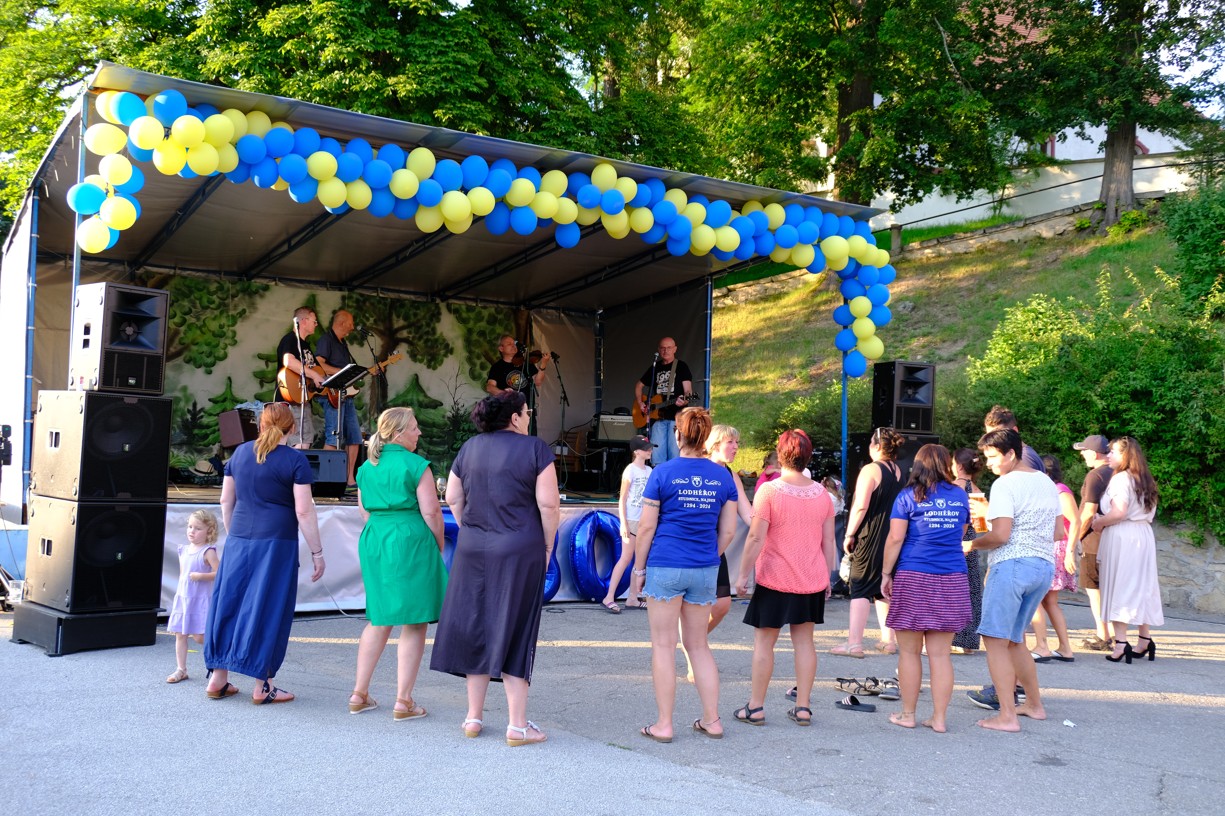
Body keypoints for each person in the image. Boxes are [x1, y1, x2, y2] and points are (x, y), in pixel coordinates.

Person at [430, 392, 561, 746]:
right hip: (520, 548)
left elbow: (452, 497)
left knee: (477, 624)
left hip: (473, 548)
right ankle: (517, 725)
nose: (528, 417)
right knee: (517, 628)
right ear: (515, 417)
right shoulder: (535, 449)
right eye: (527, 412)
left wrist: (470, 527)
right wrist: (548, 544)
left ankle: (473, 717)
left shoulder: (469, 448)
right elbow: (549, 505)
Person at [204, 403, 325, 704]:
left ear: (260, 425)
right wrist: (317, 552)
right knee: (269, 607)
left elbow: (225, 501)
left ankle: (218, 678)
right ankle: (263, 685)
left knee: (229, 602)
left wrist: (234, 533)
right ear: (292, 428)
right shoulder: (295, 460)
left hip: (240, 538)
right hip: (276, 542)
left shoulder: (240, 453)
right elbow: (304, 511)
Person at [635, 407, 738, 743]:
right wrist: (709, 556)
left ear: (678, 435)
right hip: (704, 567)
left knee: (664, 646)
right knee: (698, 646)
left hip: (665, 564)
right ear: (706, 437)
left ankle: (664, 725)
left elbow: (646, 527)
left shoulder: (662, 473)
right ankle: (712, 720)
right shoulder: (723, 476)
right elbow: (729, 531)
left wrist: (639, 569)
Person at [348, 408, 447, 720]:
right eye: (415, 428)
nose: (419, 433)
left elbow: (364, 510)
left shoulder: (366, 467)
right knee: (414, 620)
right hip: (410, 539)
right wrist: (438, 544)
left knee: (380, 616)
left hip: (376, 538)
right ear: (399, 433)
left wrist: (381, 529)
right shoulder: (416, 465)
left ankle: (359, 693)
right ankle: (403, 701)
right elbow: (432, 512)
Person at [734, 429, 835, 728]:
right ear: (808, 457)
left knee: (764, 643)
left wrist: (743, 574)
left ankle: (756, 707)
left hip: (774, 578)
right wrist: (827, 576)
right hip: (811, 578)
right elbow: (829, 541)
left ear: (780, 455)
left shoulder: (769, 491)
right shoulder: (822, 494)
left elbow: (755, 537)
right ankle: (803, 707)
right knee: (804, 643)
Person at [967, 428, 1060, 732]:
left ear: (1010, 453)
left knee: (995, 641)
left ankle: (1007, 715)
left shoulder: (1005, 484)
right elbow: (1058, 532)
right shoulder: (1046, 481)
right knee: (1016, 639)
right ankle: (1034, 705)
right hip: (1042, 567)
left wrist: (971, 544)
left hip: (1012, 566)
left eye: (993, 457)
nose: (989, 463)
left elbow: (1000, 536)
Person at [880, 444, 971, 732]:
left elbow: (895, 538)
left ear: (917, 465)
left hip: (914, 575)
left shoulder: (907, 496)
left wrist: (885, 573)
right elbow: (963, 530)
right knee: (941, 654)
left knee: (909, 652)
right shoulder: (959, 495)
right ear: (947, 465)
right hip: (952, 576)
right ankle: (939, 718)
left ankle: (908, 714)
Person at [833, 427, 907, 657]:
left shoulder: (870, 469)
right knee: (884, 586)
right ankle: (888, 640)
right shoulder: (899, 471)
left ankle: (854, 644)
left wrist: (849, 534)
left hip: (870, 534)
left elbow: (861, 506)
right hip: (892, 534)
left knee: (860, 586)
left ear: (876, 446)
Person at [1090, 436, 1163, 664]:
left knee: (1119, 585)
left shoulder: (1121, 478)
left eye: (1113, 452)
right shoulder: (1145, 479)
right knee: (1142, 585)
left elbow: (1119, 512)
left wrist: (1099, 523)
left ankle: (1121, 643)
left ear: (1125, 455)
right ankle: (1144, 639)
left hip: (1123, 535)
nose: (1108, 455)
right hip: (1143, 534)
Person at [1029, 454, 1079, 662]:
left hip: (1057, 548)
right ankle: (1065, 648)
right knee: (1049, 601)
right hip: (1053, 546)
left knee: (1034, 598)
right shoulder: (1051, 491)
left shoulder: (1060, 491)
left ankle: (1042, 646)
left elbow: (1075, 521)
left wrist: (1070, 552)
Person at [705, 424, 753, 632]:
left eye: (737, 443)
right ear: (715, 445)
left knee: (722, 605)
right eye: (730, 442)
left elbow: (748, 514)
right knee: (691, 604)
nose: (736, 447)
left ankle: (694, 641)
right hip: (696, 542)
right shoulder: (700, 467)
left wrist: (770, 527)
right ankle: (693, 645)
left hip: (717, 546)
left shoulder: (731, 475)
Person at [165, 510, 221, 684]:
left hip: (200, 600)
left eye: (197, 528)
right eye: (190, 526)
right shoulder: (184, 550)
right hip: (184, 598)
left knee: (199, 637)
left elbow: (220, 573)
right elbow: (184, 576)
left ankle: (218, 662)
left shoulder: (208, 551)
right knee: (180, 634)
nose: (192, 531)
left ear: (209, 531)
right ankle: (181, 669)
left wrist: (201, 576)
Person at [602, 435, 653, 613]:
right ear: (636, 452)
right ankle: (609, 597)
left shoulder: (649, 471)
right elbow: (622, 498)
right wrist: (623, 523)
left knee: (639, 561)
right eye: (646, 448)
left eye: (650, 448)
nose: (650, 450)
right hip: (631, 519)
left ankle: (632, 597)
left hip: (643, 520)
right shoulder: (630, 470)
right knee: (625, 558)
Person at [1073, 434, 1114, 650]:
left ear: (1094, 453)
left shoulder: (1095, 475)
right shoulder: (1117, 472)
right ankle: (1116, 635)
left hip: (1093, 541)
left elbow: (1089, 512)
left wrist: (1076, 538)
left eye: (1084, 451)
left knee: (1094, 590)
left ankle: (1103, 635)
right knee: (1110, 590)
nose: (1082, 455)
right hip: (1112, 539)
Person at [315, 308, 364, 490]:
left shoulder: (343, 344)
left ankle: (349, 480)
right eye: (351, 323)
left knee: (355, 437)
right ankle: (324, 480)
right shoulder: (326, 340)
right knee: (333, 436)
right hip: (332, 395)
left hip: (346, 395)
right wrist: (341, 372)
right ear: (342, 323)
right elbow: (319, 364)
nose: (352, 327)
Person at [635, 337, 693, 466]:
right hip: (657, 419)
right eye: (662, 348)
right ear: (658, 350)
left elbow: (689, 392)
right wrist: (640, 403)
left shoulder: (681, 366)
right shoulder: (655, 367)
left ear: (675, 349)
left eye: (669, 348)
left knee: (675, 456)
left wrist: (684, 400)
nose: (665, 350)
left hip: (676, 419)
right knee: (657, 457)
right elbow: (639, 385)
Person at [950, 448, 985, 654]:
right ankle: (967, 642)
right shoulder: (977, 491)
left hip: (954, 544)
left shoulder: (952, 488)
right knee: (971, 592)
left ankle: (950, 637)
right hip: (971, 545)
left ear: (959, 466)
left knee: (952, 591)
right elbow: (981, 525)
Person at [277, 306, 325, 448]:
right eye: (314, 321)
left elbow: (319, 372)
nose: (316, 324)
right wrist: (314, 375)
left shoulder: (305, 346)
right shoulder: (290, 339)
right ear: (303, 321)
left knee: (305, 442)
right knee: (297, 444)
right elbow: (289, 361)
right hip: (291, 400)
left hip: (303, 401)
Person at [983, 405, 1045, 472]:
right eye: (990, 436)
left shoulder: (1024, 459)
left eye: (998, 435)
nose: (993, 440)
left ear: (1015, 431)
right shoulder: (1022, 455)